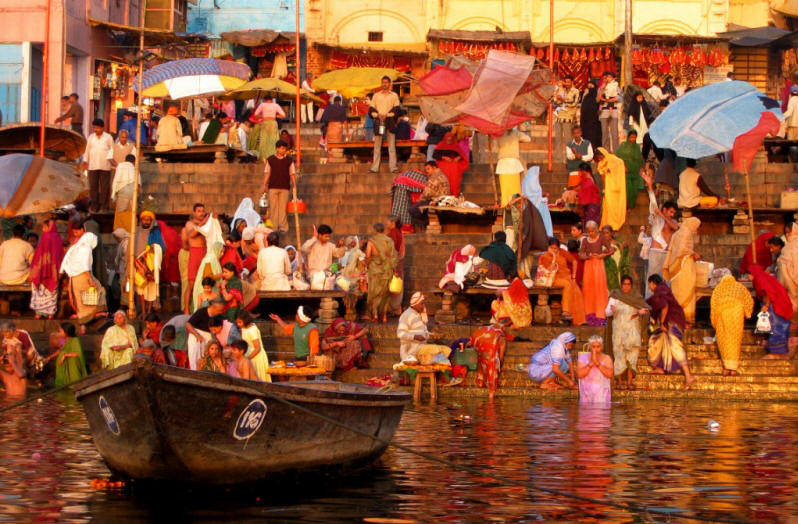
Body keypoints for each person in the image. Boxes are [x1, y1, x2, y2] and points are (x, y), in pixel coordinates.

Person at [646, 275, 695, 388]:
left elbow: (665, 306)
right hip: (672, 321)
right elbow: (652, 303)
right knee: (657, 340)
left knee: (675, 346)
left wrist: (662, 323)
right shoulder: (664, 290)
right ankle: (660, 368)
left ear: (652, 283)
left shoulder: (660, 291)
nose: (650, 287)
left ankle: (688, 376)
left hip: (671, 322)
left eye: (650, 285)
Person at [605, 275, 648, 390]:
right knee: (619, 355)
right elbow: (607, 312)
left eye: (629, 284)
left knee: (632, 356)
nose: (626, 286)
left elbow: (645, 310)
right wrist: (612, 310)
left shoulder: (636, 297)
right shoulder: (615, 297)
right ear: (621, 284)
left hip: (633, 330)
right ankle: (619, 382)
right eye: (624, 284)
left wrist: (641, 312)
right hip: (618, 331)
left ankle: (629, 382)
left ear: (631, 285)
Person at [60, 227, 107, 326]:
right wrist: (90, 279)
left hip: (74, 278)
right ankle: (97, 313)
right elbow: (85, 265)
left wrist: (62, 272)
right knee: (99, 290)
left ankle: (83, 324)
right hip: (83, 276)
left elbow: (65, 261)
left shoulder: (75, 247)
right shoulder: (86, 248)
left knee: (80, 300)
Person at [711, 275, 754, 376]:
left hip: (723, 314)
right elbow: (749, 300)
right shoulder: (740, 286)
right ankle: (733, 369)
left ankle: (726, 368)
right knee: (735, 340)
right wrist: (747, 312)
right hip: (737, 314)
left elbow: (713, 304)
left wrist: (714, 320)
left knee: (724, 340)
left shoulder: (718, 288)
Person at [538, 238, 586, 326]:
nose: (554, 250)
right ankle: (565, 311)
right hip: (552, 280)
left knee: (576, 289)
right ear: (548, 247)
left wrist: (574, 276)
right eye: (552, 248)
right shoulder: (544, 256)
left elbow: (574, 261)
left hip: (566, 277)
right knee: (567, 285)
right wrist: (554, 257)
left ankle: (577, 318)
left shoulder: (562, 252)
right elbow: (549, 270)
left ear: (559, 248)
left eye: (555, 248)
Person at [750, 265, 794, 359]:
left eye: (749, 274)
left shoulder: (760, 278)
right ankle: (779, 353)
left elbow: (768, 292)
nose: (748, 277)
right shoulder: (763, 277)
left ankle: (777, 354)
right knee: (776, 326)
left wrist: (766, 305)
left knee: (776, 326)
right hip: (779, 303)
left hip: (776, 304)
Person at [663, 217, 701, 325]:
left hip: (676, 267)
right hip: (684, 267)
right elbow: (682, 249)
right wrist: (693, 254)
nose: (696, 230)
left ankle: (677, 317)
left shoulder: (677, 233)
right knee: (687, 290)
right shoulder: (686, 232)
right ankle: (685, 318)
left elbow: (673, 250)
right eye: (696, 227)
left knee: (678, 292)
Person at [28, 219, 63, 319]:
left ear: (49, 227)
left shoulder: (46, 237)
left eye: (44, 227)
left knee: (38, 291)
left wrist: (34, 271)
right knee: (51, 292)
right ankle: (50, 314)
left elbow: (39, 255)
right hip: (53, 270)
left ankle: (38, 314)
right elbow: (59, 256)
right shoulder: (58, 239)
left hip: (41, 269)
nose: (43, 229)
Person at [579, 221, 613, 326]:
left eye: (592, 231)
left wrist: (603, 255)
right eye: (589, 231)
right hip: (589, 265)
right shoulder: (585, 240)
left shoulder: (601, 238)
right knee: (588, 288)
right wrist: (587, 256)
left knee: (600, 288)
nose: (591, 233)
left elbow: (611, 250)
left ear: (596, 229)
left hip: (599, 264)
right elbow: (581, 254)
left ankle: (600, 314)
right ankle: (589, 313)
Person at [259, 140, 296, 235]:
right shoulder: (270, 159)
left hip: (285, 187)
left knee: (283, 208)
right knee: (273, 208)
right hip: (273, 186)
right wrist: (264, 184)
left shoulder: (289, 160)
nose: (283, 150)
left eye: (285, 149)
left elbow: (292, 173)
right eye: (282, 148)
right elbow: (267, 173)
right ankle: (274, 227)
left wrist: (294, 185)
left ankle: (283, 227)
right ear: (277, 149)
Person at [365, 223, 398, 323]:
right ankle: (384, 316)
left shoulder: (372, 241)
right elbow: (393, 256)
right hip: (387, 271)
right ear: (383, 230)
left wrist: (365, 265)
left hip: (375, 271)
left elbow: (368, 256)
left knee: (374, 293)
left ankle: (375, 314)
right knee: (385, 294)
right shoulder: (389, 241)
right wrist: (394, 269)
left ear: (375, 230)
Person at [81, 119, 115, 212]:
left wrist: (112, 162)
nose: (95, 129)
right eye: (94, 127)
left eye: (97, 128)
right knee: (93, 187)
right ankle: (94, 206)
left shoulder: (108, 137)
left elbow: (112, 150)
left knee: (105, 187)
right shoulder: (91, 137)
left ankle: (104, 206)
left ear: (102, 128)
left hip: (105, 166)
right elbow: (87, 150)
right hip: (93, 166)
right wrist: (85, 161)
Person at [369, 76, 401, 173]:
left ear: (389, 83)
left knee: (391, 146)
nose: (384, 84)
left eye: (386, 82)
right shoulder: (376, 96)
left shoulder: (394, 95)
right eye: (383, 82)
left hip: (390, 121)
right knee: (377, 146)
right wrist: (378, 115)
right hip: (379, 122)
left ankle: (393, 167)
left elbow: (397, 109)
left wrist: (387, 115)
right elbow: (371, 109)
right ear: (381, 83)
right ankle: (374, 168)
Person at [396, 292, 440, 364]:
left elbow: (421, 332)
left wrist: (433, 335)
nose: (423, 306)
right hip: (410, 351)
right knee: (436, 350)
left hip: (420, 348)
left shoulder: (418, 315)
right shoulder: (407, 315)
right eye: (421, 304)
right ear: (415, 304)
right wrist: (415, 337)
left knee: (442, 351)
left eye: (424, 304)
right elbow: (400, 333)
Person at [469, 320, 508, 400]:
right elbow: (501, 356)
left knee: (480, 361)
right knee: (492, 367)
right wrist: (499, 365)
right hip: (490, 351)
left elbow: (470, 343)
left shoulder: (481, 329)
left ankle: (480, 382)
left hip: (478, 347)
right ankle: (491, 395)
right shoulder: (500, 335)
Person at [185, 298, 227, 370]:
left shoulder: (218, 316)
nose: (221, 312)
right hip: (196, 336)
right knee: (195, 358)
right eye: (220, 310)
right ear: (213, 307)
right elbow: (188, 324)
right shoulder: (201, 312)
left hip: (209, 338)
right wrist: (197, 335)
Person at [184, 203, 210, 313]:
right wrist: (203, 223)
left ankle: (203, 308)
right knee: (192, 283)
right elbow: (192, 235)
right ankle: (186, 308)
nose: (201, 213)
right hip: (195, 252)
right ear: (194, 212)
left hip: (205, 252)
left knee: (207, 282)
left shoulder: (206, 224)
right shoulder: (190, 223)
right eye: (199, 211)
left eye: (203, 211)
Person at [408, 161, 451, 228]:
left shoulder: (434, 177)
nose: (427, 171)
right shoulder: (443, 175)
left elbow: (427, 193)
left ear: (434, 168)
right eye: (426, 169)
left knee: (412, 209)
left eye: (428, 169)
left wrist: (420, 199)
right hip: (444, 201)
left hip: (436, 202)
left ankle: (427, 224)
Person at [494, 128, 531, 206]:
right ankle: (517, 208)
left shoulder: (498, 134)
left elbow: (495, 149)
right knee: (515, 191)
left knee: (505, 191)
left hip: (503, 164)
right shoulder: (516, 133)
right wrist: (517, 139)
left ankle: (506, 208)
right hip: (513, 164)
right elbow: (528, 139)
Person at [594, 147, 627, 231]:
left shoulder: (613, 159)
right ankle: (608, 223)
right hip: (609, 186)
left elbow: (621, 164)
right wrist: (604, 188)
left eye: (600, 155)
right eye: (598, 156)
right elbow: (602, 176)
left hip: (617, 185)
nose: (600, 157)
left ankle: (616, 224)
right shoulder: (601, 163)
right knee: (608, 205)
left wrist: (611, 168)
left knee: (616, 205)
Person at [576, 335, 613, 405]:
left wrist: (597, 364)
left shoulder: (607, 358)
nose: (595, 349)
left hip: (602, 395)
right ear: (590, 347)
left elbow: (610, 375)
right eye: (593, 347)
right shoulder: (582, 358)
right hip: (586, 394)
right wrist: (591, 363)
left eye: (598, 346)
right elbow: (579, 375)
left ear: (601, 347)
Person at [236, 310, 270, 382]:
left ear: (245, 320)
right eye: (237, 322)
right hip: (248, 356)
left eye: (240, 322)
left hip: (256, 357)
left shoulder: (252, 330)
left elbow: (258, 348)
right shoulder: (243, 328)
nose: (238, 324)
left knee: (258, 379)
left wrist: (247, 359)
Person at [553, 75, 581, 163]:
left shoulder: (576, 91)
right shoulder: (562, 90)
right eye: (566, 82)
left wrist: (563, 100)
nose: (567, 84)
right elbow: (556, 101)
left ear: (572, 82)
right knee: (558, 138)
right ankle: (558, 158)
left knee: (568, 139)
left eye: (569, 82)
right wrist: (557, 96)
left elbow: (574, 103)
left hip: (568, 117)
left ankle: (568, 157)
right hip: (559, 116)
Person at [615, 131, 645, 208]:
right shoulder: (623, 146)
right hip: (626, 172)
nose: (633, 139)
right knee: (628, 190)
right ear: (628, 137)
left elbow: (640, 159)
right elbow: (617, 158)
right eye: (631, 137)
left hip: (635, 172)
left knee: (635, 191)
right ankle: (626, 206)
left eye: (634, 137)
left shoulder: (637, 147)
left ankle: (632, 206)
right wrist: (623, 166)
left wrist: (642, 167)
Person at [52, 323, 87, 387]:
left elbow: (77, 354)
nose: (59, 333)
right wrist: (49, 358)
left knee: (73, 359)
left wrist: (65, 356)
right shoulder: (62, 339)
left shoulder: (75, 340)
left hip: (73, 365)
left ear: (66, 332)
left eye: (61, 331)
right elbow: (60, 350)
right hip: (62, 365)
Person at [111, 154, 138, 232]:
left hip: (122, 194)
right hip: (133, 194)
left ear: (125, 160)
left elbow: (116, 180)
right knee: (131, 214)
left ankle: (121, 232)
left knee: (121, 215)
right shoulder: (135, 168)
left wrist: (113, 195)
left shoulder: (120, 166)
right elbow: (139, 183)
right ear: (134, 161)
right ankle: (130, 231)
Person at [386, 216, 405, 315]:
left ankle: (394, 308)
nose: (386, 223)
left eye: (388, 221)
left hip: (394, 261)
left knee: (394, 285)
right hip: (397, 260)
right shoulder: (398, 232)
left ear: (392, 222)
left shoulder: (393, 232)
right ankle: (396, 308)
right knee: (397, 284)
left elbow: (391, 249)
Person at [0, 325, 27, 397]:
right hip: (8, 402)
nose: (7, 365)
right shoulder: (5, 376)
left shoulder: (21, 372)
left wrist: (12, 361)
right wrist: (2, 358)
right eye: (6, 364)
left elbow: (21, 374)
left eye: (9, 364)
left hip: (19, 404)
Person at [602, 225, 629, 292]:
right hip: (605, 267)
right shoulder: (601, 243)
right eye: (603, 233)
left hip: (616, 268)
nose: (605, 235)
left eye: (607, 233)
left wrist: (625, 248)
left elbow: (623, 256)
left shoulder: (617, 243)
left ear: (611, 233)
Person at [598, 71, 620, 151]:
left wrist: (609, 100)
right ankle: (605, 152)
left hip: (613, 112)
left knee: (614, 134)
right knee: (604, 134)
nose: (608, 79)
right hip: (604, 112)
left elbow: (619, 98)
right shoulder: (602, 87)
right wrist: (602, 89)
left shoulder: (616, 86)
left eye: (610, 77)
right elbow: (598, 99)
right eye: (607, 77)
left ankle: (616, 152)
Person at [579, 79, 602, 153]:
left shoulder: (596, 95)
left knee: (593, 136)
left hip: (594, 120)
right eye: (589, 85)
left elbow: (598, 101)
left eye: (592, 85)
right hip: (585, 120)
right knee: (585, 135)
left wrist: (602, 89)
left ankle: (593, 151)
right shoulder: (586, 95)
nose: (590, 87)